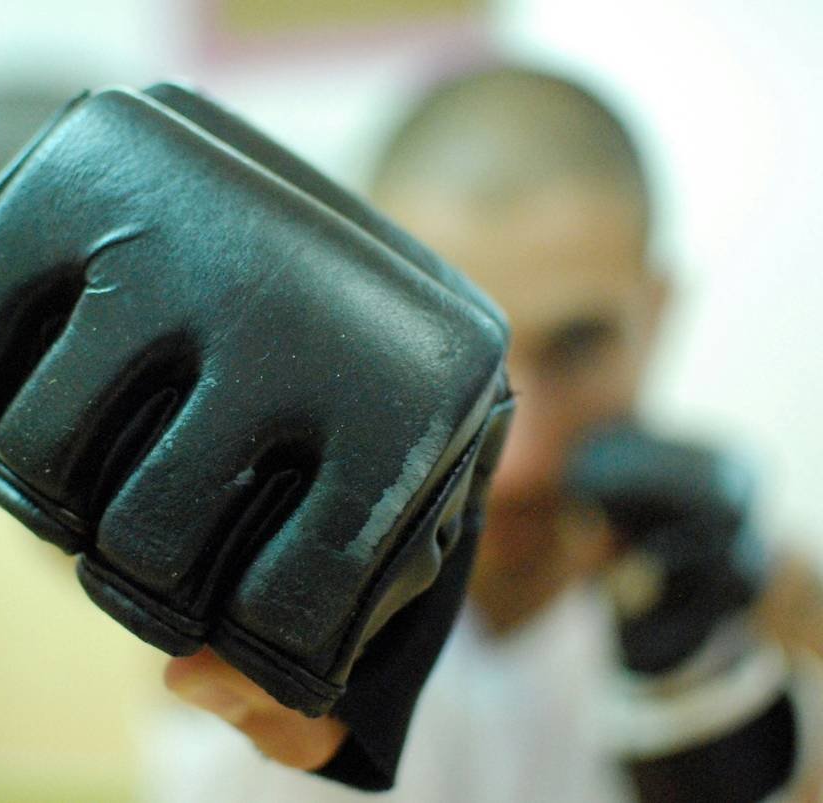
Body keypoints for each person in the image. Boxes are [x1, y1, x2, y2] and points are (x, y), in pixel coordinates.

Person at [151, 64, 823, 801]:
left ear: (657, 315)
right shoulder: (254, 599)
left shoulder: (779, 623)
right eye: (444, 356)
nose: (519, 463)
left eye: (577, 348)